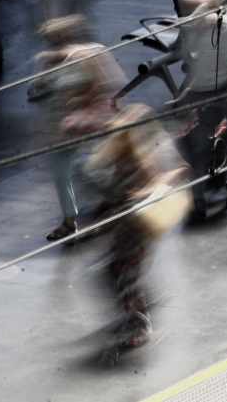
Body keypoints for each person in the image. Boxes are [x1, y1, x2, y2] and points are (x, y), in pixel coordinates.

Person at [83, 105, 186, 356]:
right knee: (116, 272)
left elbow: (169, 176)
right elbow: (111, 188)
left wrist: (144, 194)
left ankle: (140, 323)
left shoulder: (145, 155)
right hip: (125, 223)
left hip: (138, 225)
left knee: (124, 273)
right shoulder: (122, 156)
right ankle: (138, 309)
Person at [27, 16, 123, 241]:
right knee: (62, 174)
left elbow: (102, 87)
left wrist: (80, 99)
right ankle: (70, 221)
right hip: (59, 125)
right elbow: (37, 89)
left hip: (85, 123)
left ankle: (112, 204)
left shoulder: (85, 56)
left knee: (91, 169)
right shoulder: (47, 61)